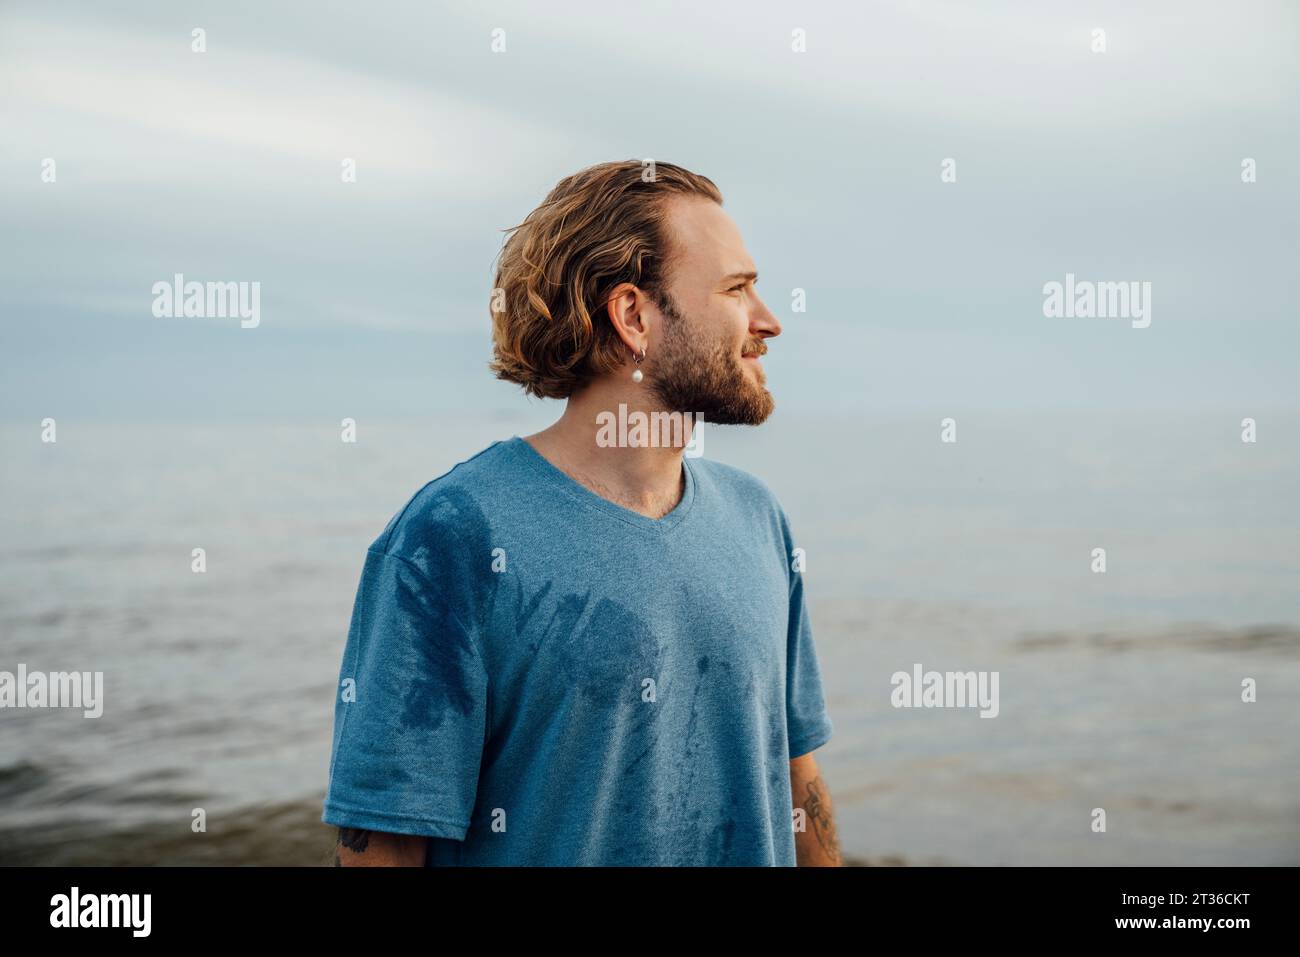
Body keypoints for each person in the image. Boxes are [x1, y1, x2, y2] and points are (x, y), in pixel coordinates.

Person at [322, 160, 840, 866]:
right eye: (737, 288)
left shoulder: (758, 519)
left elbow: (798, 782)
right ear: (634, 315)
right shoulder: (453, 533)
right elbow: (383, 847)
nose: (768, 320)